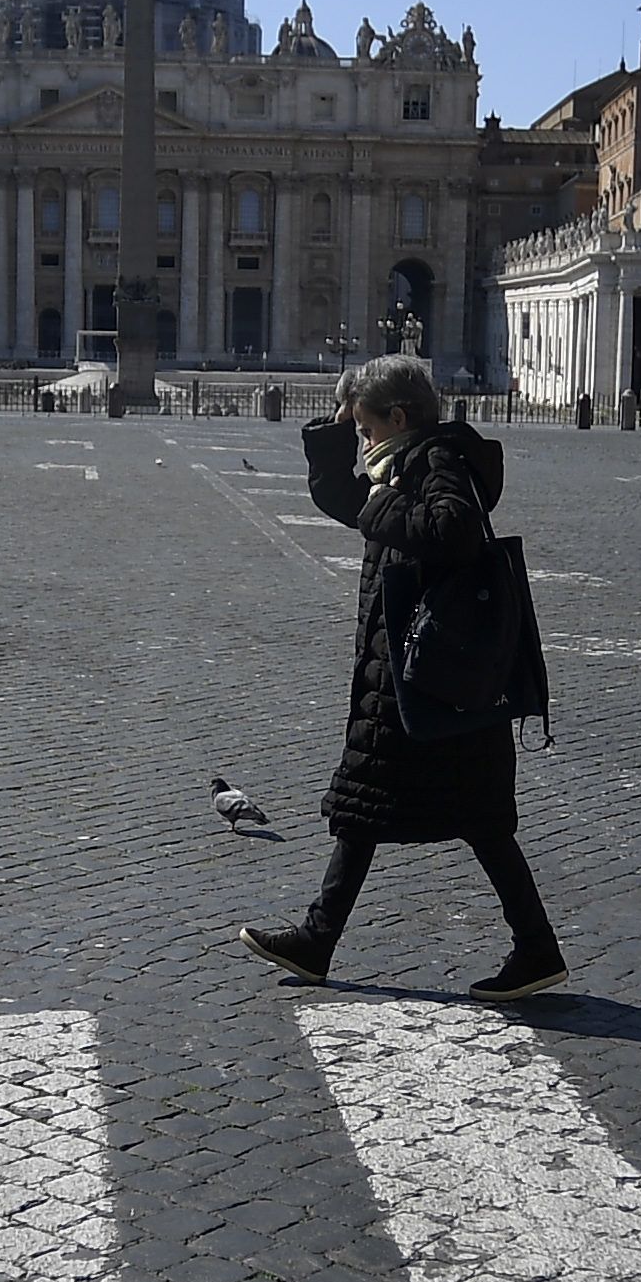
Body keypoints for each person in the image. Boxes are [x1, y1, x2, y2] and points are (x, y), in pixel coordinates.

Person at [244, 355, 567, 998]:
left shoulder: (436, 462)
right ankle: (532, 947)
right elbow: (349, 499)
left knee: (383, 807)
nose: (362, 443)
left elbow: (453, 532)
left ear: (398, 418)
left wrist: (385, 499)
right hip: (421, 674)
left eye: (364, 428)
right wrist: (339, 426)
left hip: (428, 673)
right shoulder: (404, 462)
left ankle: (320, 939)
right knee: (417, 812)